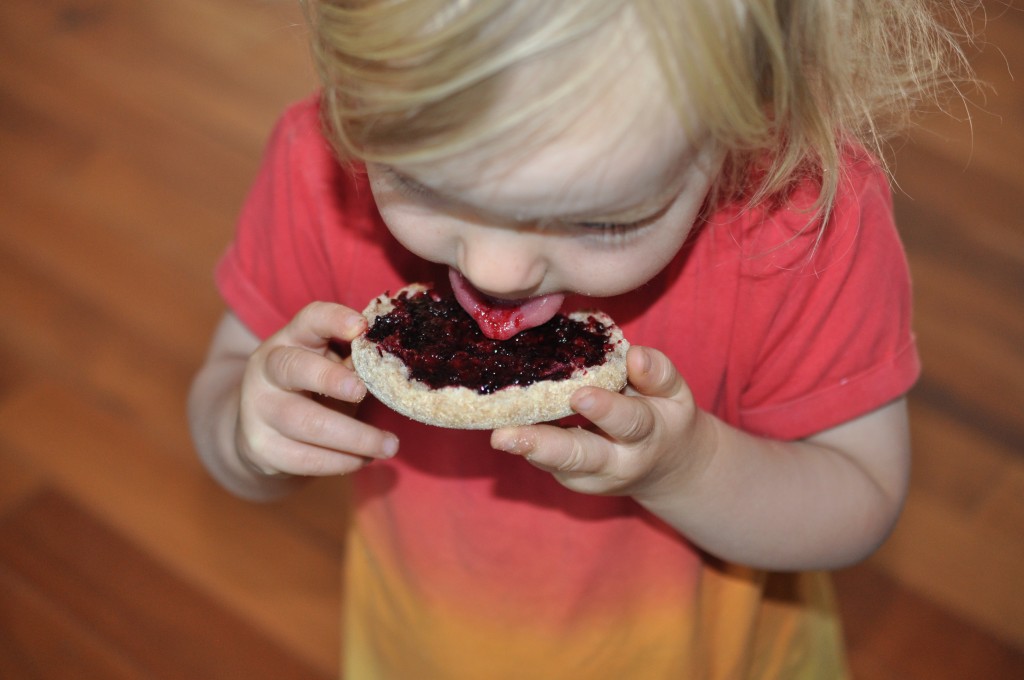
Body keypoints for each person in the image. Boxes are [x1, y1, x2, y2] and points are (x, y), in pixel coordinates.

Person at [188, 1, 971, 677]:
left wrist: (688, 468)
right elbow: (226, 392)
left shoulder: (802, 223)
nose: (496, 270)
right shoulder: (322, 166)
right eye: (422, 183)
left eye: (602, 220)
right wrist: (248, 432)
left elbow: (860, 500)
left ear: (750, 117)